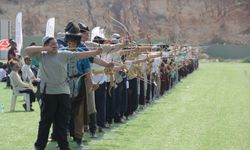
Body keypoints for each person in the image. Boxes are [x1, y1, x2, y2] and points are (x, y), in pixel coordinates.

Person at [24, 35, 102, 150]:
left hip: (63, 93)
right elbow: (27, 50)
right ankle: (39, 146)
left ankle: (64, 147)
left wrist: (95, 52)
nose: (55, 45)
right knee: (46, 122)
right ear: (45, 46)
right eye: (52, 44)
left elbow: (80, 55)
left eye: (55, 43)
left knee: (62, 122)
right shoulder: (41, 56)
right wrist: (45, 49)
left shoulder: (63, 54)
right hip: (48, 93)